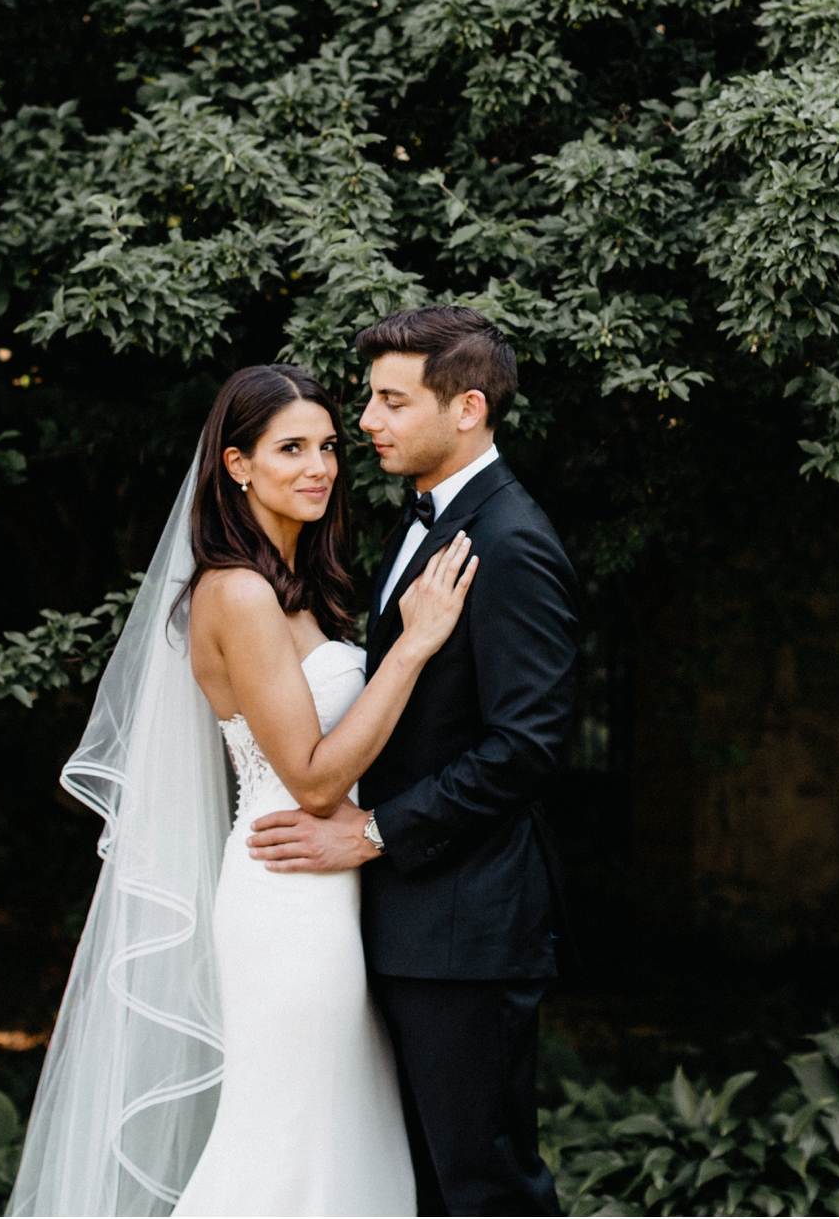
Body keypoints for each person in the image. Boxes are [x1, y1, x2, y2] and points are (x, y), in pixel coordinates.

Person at [8, 362, 476, 1219]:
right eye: (290, 448)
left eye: (329, 446)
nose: (320, 467)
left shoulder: (306, 592)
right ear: (235, 465)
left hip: (334, 895)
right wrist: (413, 646)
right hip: (287, 897)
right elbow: (313, 773)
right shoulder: (237, 591)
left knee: (338, 1138)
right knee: (289, 1143)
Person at [248, 309, 579, 1218]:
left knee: (485, 1189)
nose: (366, 420)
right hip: (413, 923)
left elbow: (527, 745)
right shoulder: (427, 518)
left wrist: (378, 830)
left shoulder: (510, 541)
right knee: (427, 1188)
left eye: (391, 400)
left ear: (467, 406)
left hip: (467, 929)